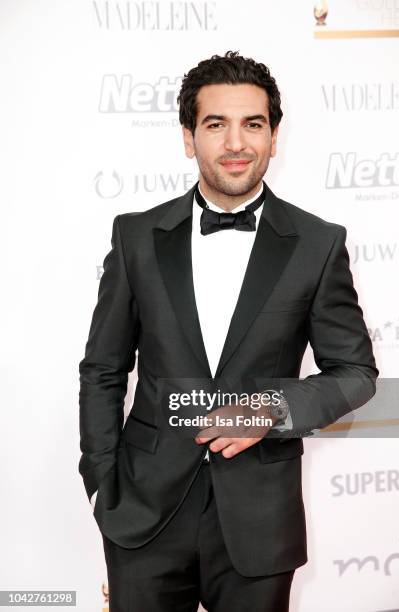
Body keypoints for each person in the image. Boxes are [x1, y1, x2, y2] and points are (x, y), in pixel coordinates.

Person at [78, 50, 378, 611]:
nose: (236, 143)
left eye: (253, 124)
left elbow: (355, 373)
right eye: (216, 124)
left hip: (260, 522)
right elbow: (102, 369)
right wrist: (101, 481)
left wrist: (270, 408)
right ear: (189, 137)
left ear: (274, 136)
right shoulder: (136, 237)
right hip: (142, 514)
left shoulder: (318, 244)